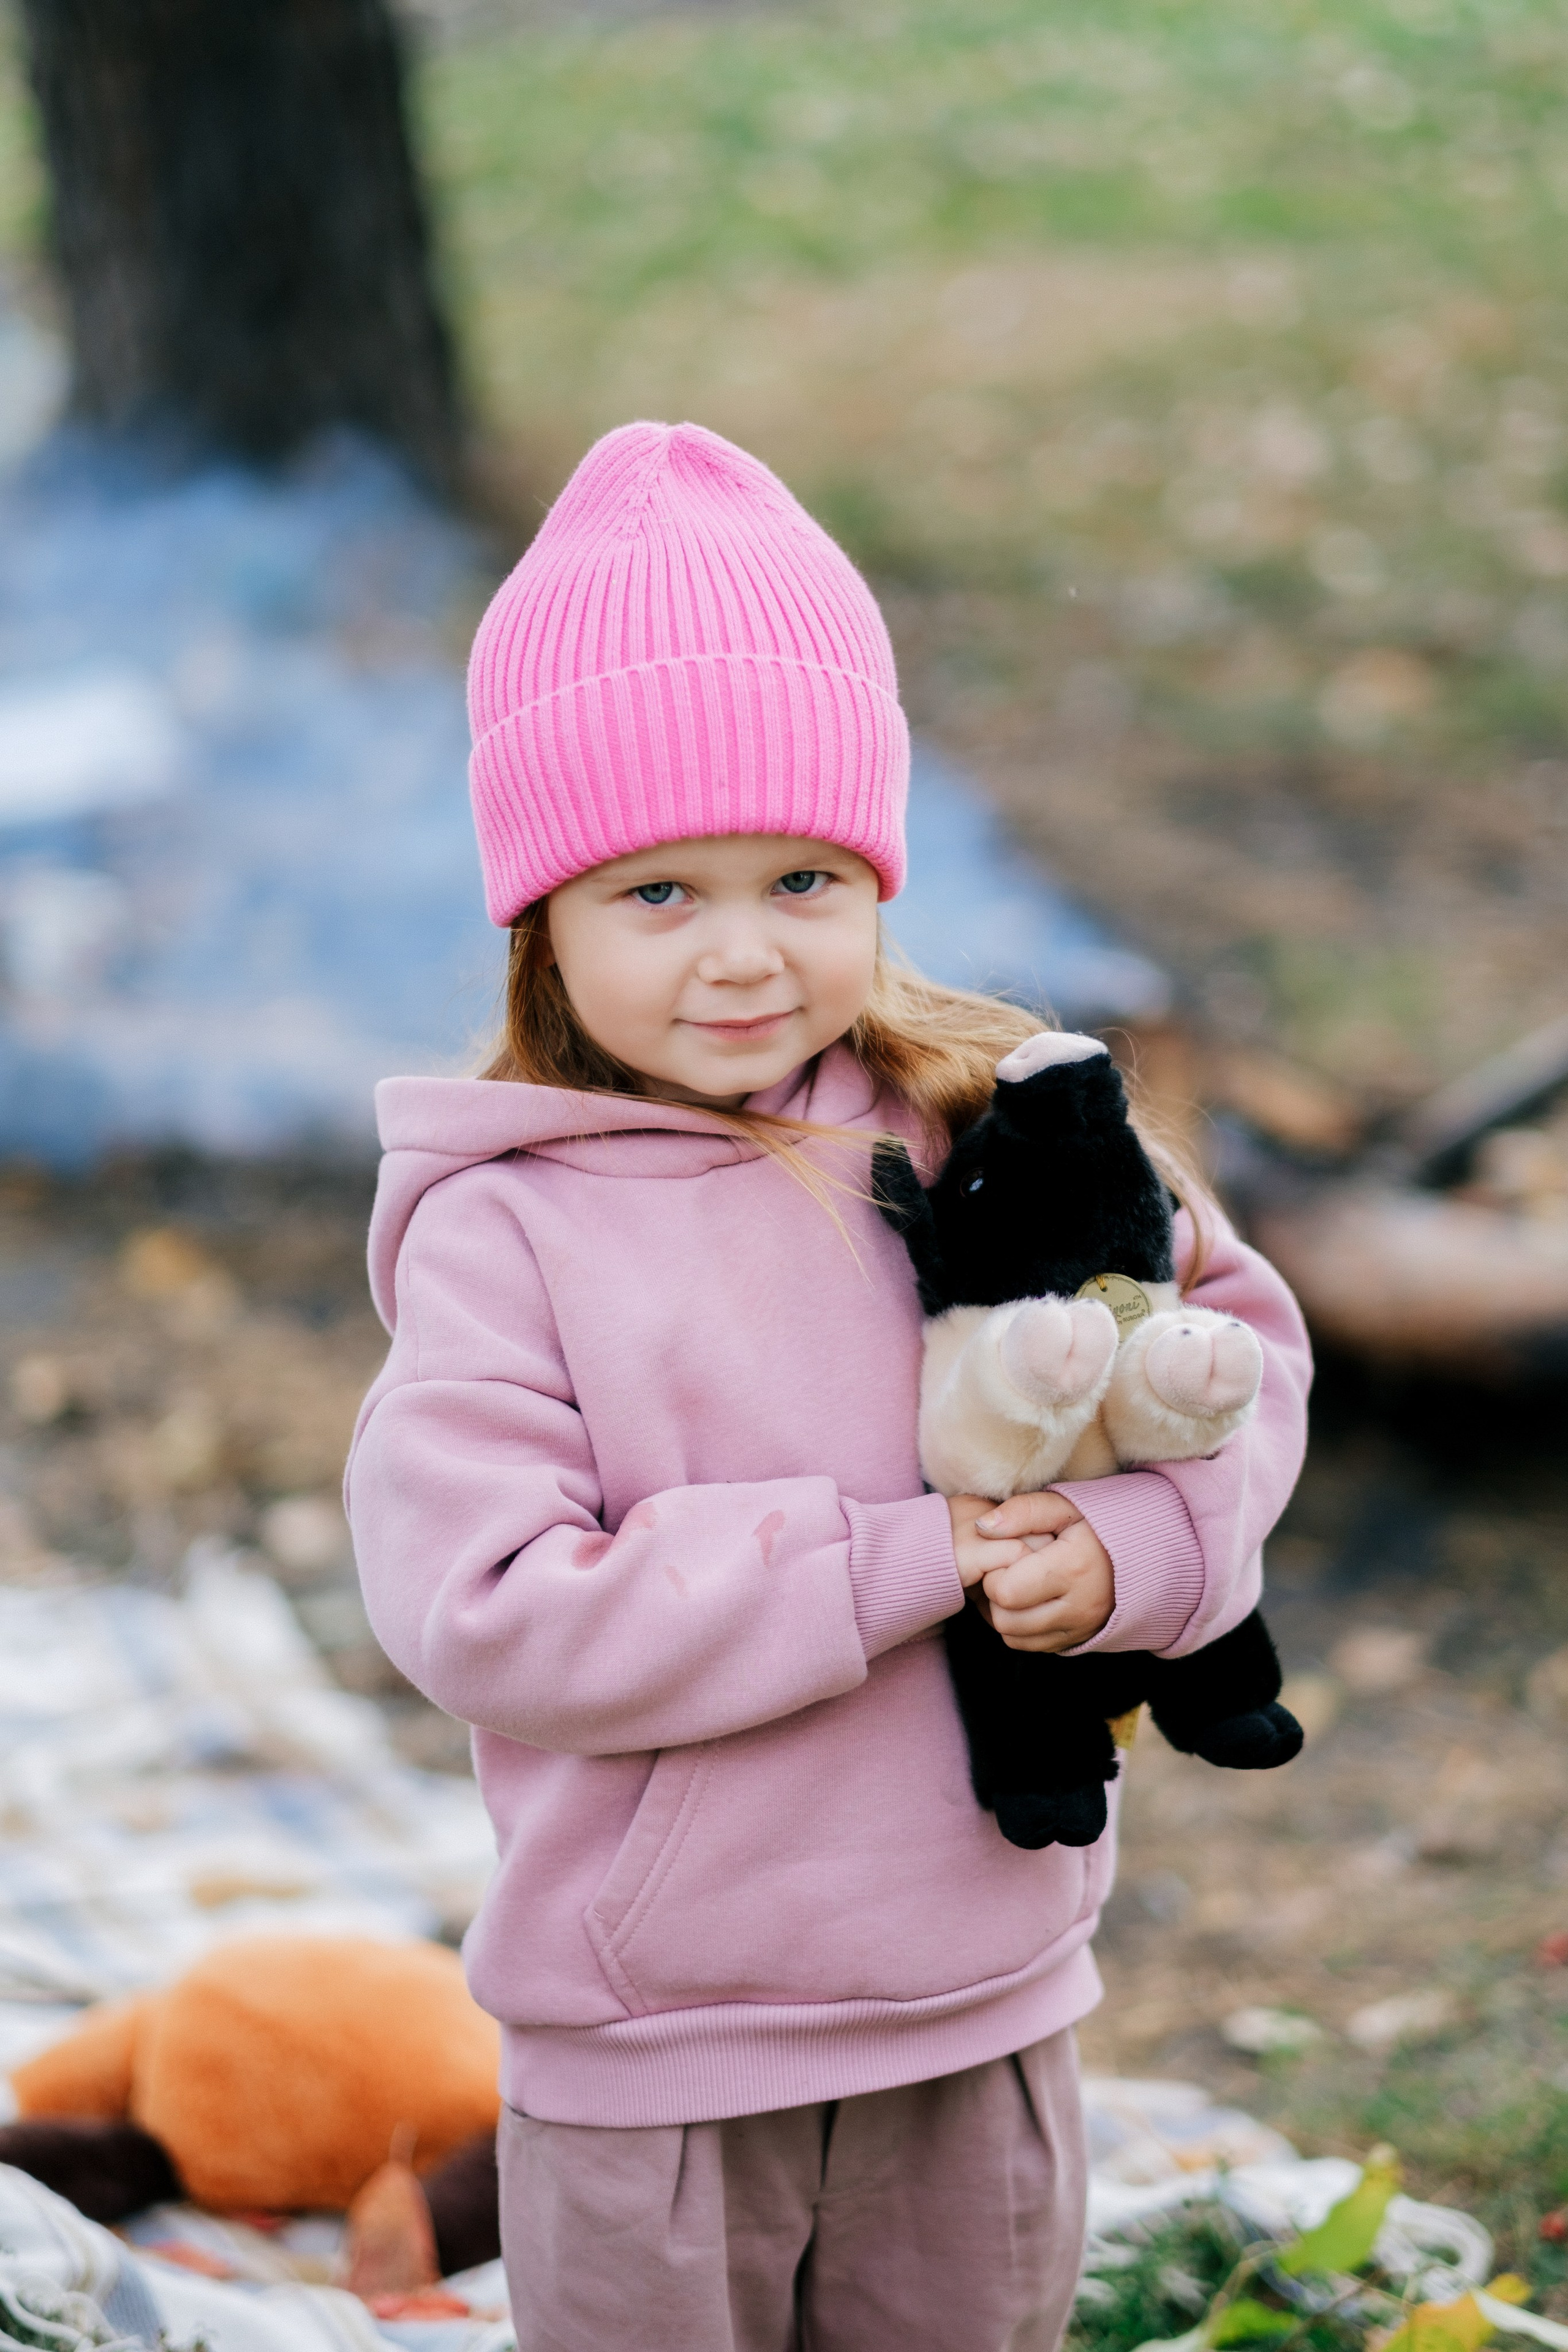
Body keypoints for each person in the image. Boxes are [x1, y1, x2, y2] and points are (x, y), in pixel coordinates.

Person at [346, 420, 1311, 2351]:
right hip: (658, 2036)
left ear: (878, 869)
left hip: (979, 1990)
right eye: (659, 894)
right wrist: (897, 1560)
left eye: (801, 876)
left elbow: (1230, 1370)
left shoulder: (1005, 1119)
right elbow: (491, 1608)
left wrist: (1126, 1557)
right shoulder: (506, 1226)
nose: (742, 956)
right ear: (540, 911)